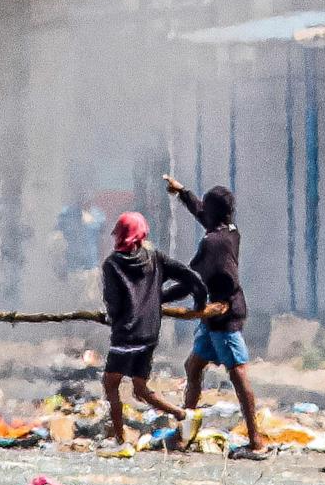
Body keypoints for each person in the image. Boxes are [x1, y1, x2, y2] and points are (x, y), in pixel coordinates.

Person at [165, 177, 270, 460]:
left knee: (238, 375)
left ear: (214, 214)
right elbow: (203, 213)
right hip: (213, 316)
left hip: (224, 315)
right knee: (193, 365)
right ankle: (185, 432)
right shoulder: (230, 231)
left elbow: (192, 282)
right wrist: (182, 193)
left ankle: (256, 442)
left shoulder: (213, 244)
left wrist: (158, 297)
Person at [100, 212, 207, 447]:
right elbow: (193, 279)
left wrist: (112, 317)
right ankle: (183, 415)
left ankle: (120, 441)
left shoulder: (112, 264)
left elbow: (114, 304)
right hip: (149, 335)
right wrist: (197, 304)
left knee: (110, 383)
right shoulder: (155, 258)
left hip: (126, 334)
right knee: (140, 388)